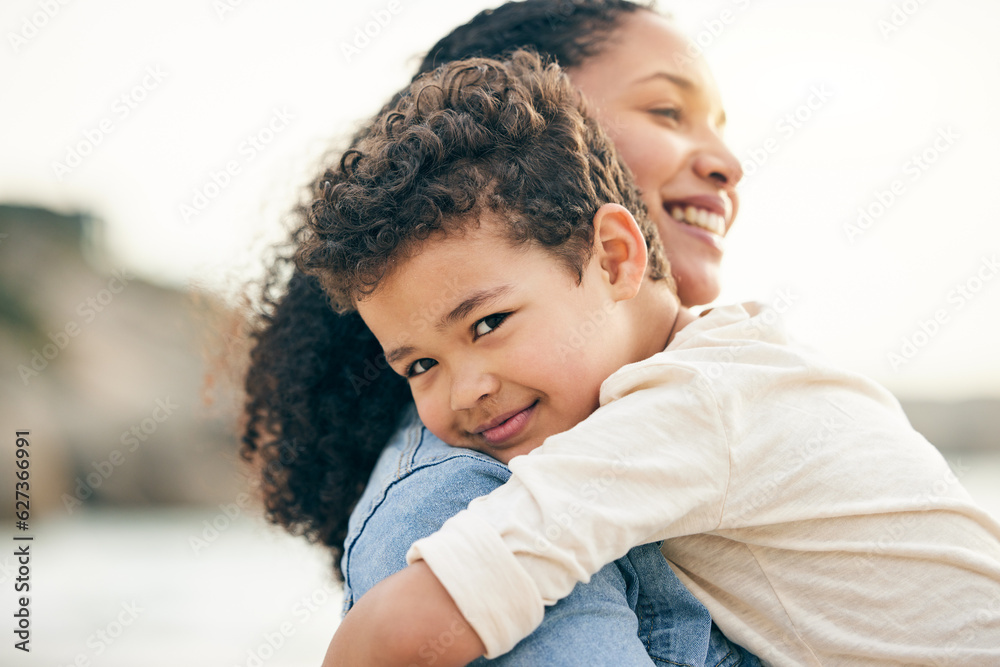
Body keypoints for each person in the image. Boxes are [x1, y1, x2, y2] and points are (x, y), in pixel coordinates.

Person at [308, 49, 1000, 666]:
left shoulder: (693, 403)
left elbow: (413, 625)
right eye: (420, 366)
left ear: (613, 256)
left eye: (488, 322)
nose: (466, 391)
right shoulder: (735, 364)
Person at [242, 1, 756, 664]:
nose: (727, 161)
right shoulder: (467, 490)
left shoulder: (696, 405)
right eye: (666, 112)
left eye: (717, 123)